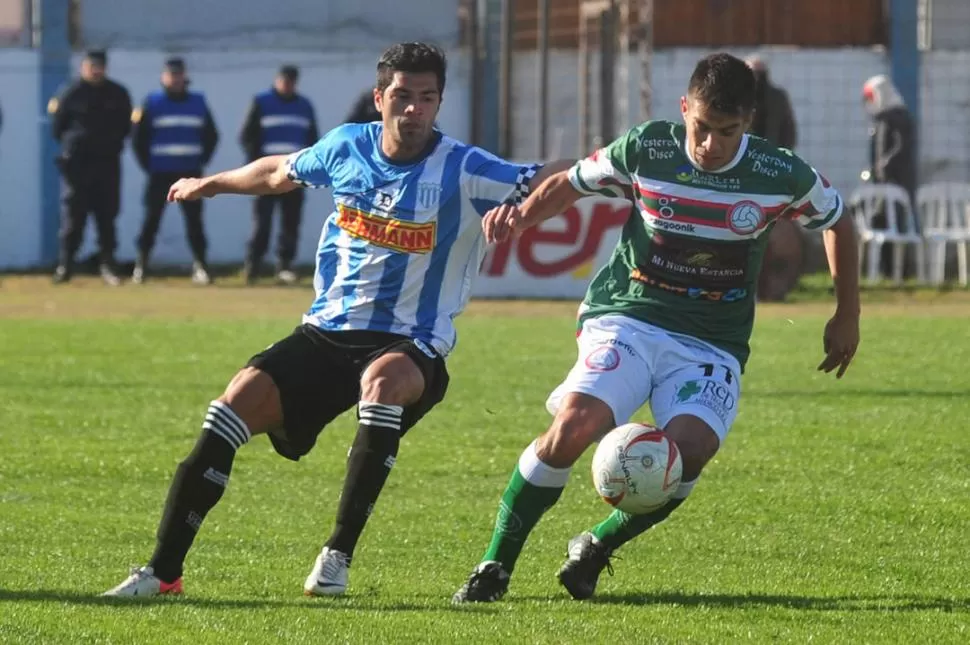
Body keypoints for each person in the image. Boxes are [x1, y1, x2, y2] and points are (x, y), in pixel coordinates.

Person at [102, 42, 571, 599]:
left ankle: (336, 558)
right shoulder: (347, 146)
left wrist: (599, 169)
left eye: (427, 98)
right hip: (326, 333)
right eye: (402, 96)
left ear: (439, 103)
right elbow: (278, 171)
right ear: (380, 99)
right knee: (229, 408)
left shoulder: (464, 167)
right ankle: (162, 574)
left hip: (411, 341)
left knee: (383, 383)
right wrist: (211, 183)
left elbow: (551, 175)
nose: (414, 109)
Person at [453, 52, 861, 604]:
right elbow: (573, 181)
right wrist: (521, 215)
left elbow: (837, 220)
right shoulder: (649, 147)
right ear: (683, 108)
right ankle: (495, 565)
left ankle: (594, 549)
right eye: (701, 128)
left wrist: (847, 313)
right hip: (629, 315)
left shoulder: (779, 173)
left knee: (689, 452)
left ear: (749, 122)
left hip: (710, 342)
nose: (710, 145)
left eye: (727, 131)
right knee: (575, 425)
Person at [132, 57, 219, 285]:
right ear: (164, 77)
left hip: (189, 174)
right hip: (159, 173)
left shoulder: (198, 102)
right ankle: (141, 265)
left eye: (178, 74)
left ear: (184, 77)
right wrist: (149, 166)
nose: (175, 79)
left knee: (195, 223)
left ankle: (201, 266)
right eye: (171, 75)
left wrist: (200, 162)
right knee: (151, 220)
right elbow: (138, 139)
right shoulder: (152, 102)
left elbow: (211, 136)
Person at [50, 49, 133, 286]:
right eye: (91, 66)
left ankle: (108, 265)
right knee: (73, 219)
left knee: (107, 217)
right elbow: (57, 128)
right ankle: (65, 266)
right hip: (78, 166)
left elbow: (126, 127)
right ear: (83, 67)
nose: (95, 70)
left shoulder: (117, 93)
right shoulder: (71, 93)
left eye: (99, 66)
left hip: (106, 164)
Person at [239, 65, 320, 284]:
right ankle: (253, 266)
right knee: (262, 223)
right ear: (277, 80)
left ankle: (284, 266)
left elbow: (313, 141)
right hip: (266, 177)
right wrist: (256, 168)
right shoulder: (262, 102)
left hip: (294, 176)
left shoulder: (304, 106)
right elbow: (247, 136)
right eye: (284, 80)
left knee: (290, 223)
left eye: (291, 81)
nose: (287, 85)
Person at [745, 56, 802, 302]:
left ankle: (763, 286)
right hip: (769, 174)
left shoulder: (746, 98)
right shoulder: (775, 97)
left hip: (753, 175)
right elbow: (789, 134)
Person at [862, 74, 919, 279]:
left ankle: (900, 271)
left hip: (898, 182)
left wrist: (887, 164)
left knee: (898, 224)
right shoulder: (880, 120)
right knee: (880, 222)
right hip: (881, 185)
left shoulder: (901, 118)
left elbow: (901, 147)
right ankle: (883, 270)